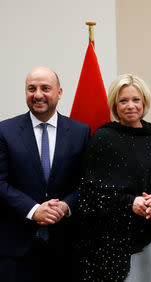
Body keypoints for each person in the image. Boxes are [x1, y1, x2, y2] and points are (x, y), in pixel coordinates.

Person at [76, 74, 151, 281]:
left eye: (135, 100)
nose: (130, 106)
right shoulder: (103, 138)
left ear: (144, 102)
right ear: (115, 103)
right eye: (123, 100)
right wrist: (130, 203)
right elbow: (89, 193)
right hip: (111, 237)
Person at [0, 67, 90, 282]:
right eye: (31, 89)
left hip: (65, 249)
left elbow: (87, 182)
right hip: (17, 250)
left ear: (59, 93)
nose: (38, 94)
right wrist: (33, 210)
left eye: (45, 88)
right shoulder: (5, 131)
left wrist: (65, 206)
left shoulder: (81, 132)